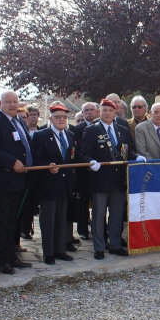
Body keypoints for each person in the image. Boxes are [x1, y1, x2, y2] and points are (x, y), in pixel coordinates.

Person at [81, 98, 144, 260]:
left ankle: (115, 245)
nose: (107, 113)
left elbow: (127, 152)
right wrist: (90, 162)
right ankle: (99, 247)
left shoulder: (122, 129)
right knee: (99, 216)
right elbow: (85, 153)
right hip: (100, 179)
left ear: (115, 112)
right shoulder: (92, 130)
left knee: (116, 215)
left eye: (110, 110)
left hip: (118, 179)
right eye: (104, 110)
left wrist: (137, 157)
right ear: (98, 112)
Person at [0, 90, 34, 274]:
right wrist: (12, 162)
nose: (12, 104)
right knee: (0, 222)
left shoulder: (18, 121)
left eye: (15, 101)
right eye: (8, 102)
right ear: (0, 104)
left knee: (12, 221)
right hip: (1, 181)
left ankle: (12, 256)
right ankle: (2, 260)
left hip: (18, 181)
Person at [31, 104, 77, 265]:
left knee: (61, 219)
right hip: (48, 185)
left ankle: (60, 250)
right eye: (57, 117)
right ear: (50, 118)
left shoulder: (70, 135)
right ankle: (48, 253)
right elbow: (35, 160)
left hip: (65, 184)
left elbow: (71, 157)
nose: (61, 120)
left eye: (64, 117)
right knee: (48, 220)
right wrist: (47, 167)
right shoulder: (41, 135)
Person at [69, 102, 98, 241]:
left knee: (98, 201)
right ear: (82, 112)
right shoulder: (77, 129)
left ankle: (98, 227)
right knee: (83, 201)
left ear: (97, 111)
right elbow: (77, 148)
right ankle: (82, 229)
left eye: (92, 110)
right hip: (84, 170)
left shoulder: (100, 126)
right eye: (86, 110)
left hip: (99, 170)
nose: (89, 113)